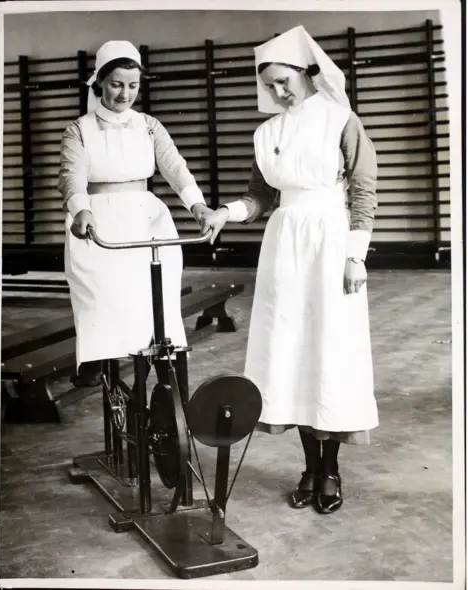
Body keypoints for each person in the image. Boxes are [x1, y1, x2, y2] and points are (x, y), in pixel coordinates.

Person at [201, 25, 379, 514]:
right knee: (292, 355)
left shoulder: (342, 120)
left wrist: (354, 255)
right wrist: (225, 213)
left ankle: (332, 469)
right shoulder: (267, 133)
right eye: (269, 84)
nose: (278, 92)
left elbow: (363, 192)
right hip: (284, 247)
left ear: (305, 71)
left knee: (330, 355)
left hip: (331, 240)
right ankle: (308, 468)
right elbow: (261, 197)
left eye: (285, 80)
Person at [58, 40, 212, 387]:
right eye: (116, 84)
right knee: (107, 304)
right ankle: (106, 371)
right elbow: (72, 176)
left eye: (132, 85)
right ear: (99, 82)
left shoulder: (148, 125)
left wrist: (197, 204)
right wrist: (81, 210)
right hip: (98, 223)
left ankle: (166, 381)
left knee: (156, 302)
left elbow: (174, 166)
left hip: (145, 219)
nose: (124, 93)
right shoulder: (79, 129)